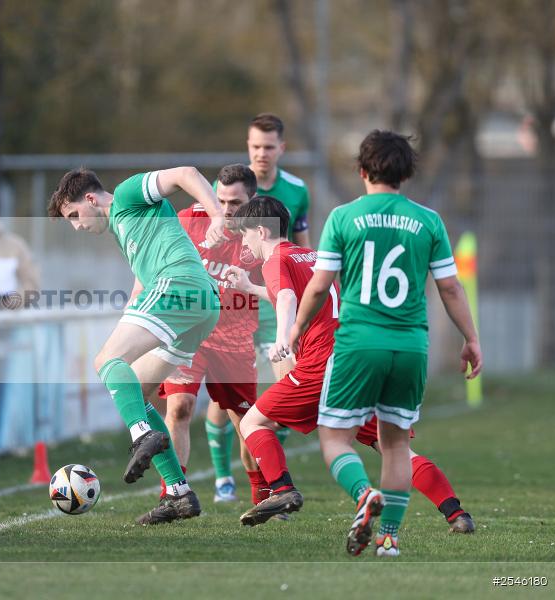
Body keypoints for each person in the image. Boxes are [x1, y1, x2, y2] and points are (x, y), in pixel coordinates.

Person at [224, 197, 476, 539]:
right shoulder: (308, 255)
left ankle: (283, 489)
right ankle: (456, 512)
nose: (243, 243)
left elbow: (286, 298)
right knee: (394, 448)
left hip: (322, 364)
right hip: (355, 361)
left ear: (259, 229)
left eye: (244, 235)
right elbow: (301, 294)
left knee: (254, 421)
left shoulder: (275, 260)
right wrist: (249, 287)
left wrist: (283, 339)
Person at [288, 131, 482, 557]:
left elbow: (320, 285)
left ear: (362, 170)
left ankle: (362, 493)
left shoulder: (343, 217)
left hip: (359, 344)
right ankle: (389, 538)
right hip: (411, 347)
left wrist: (296, 328)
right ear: (407, 173)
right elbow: (449, 288)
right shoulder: (429, 221)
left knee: (334, 438)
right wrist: (471, 338)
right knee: (396, 444)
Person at [48, 167, 225, 524]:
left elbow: (186, 174)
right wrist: (131, 310)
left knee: (106, 360)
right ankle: (178, 493)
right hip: (203, 302)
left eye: (74, 216)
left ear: (91, 199)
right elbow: (143, 280)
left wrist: (217, 214)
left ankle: (141, 435)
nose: (78, 226)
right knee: (138, 390)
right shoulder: (124, 227)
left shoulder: (127, 195)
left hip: (179, 285)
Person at [205, 113, 313, 491]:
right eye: (254, 146)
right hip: (231, 306)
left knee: (276, 391)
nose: (261, 154)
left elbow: (302, 248)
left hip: (270, 306)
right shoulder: (228, 187)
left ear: (281, 148)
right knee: (226, 394)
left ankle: (271, 477)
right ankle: (223, 478)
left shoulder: (297, 190)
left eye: (268, 147)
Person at [153, 164, 268, 505]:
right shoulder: (190, 219)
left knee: (246, 423)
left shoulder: (261, 231)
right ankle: (173, 494)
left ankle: (263, 494)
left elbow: (281, 277)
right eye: (221, 200)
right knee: (179, 408)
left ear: (253, 199)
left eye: (235, 203)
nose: (227, 209)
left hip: (234, 337)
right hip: (189, 332)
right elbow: (159, 263)